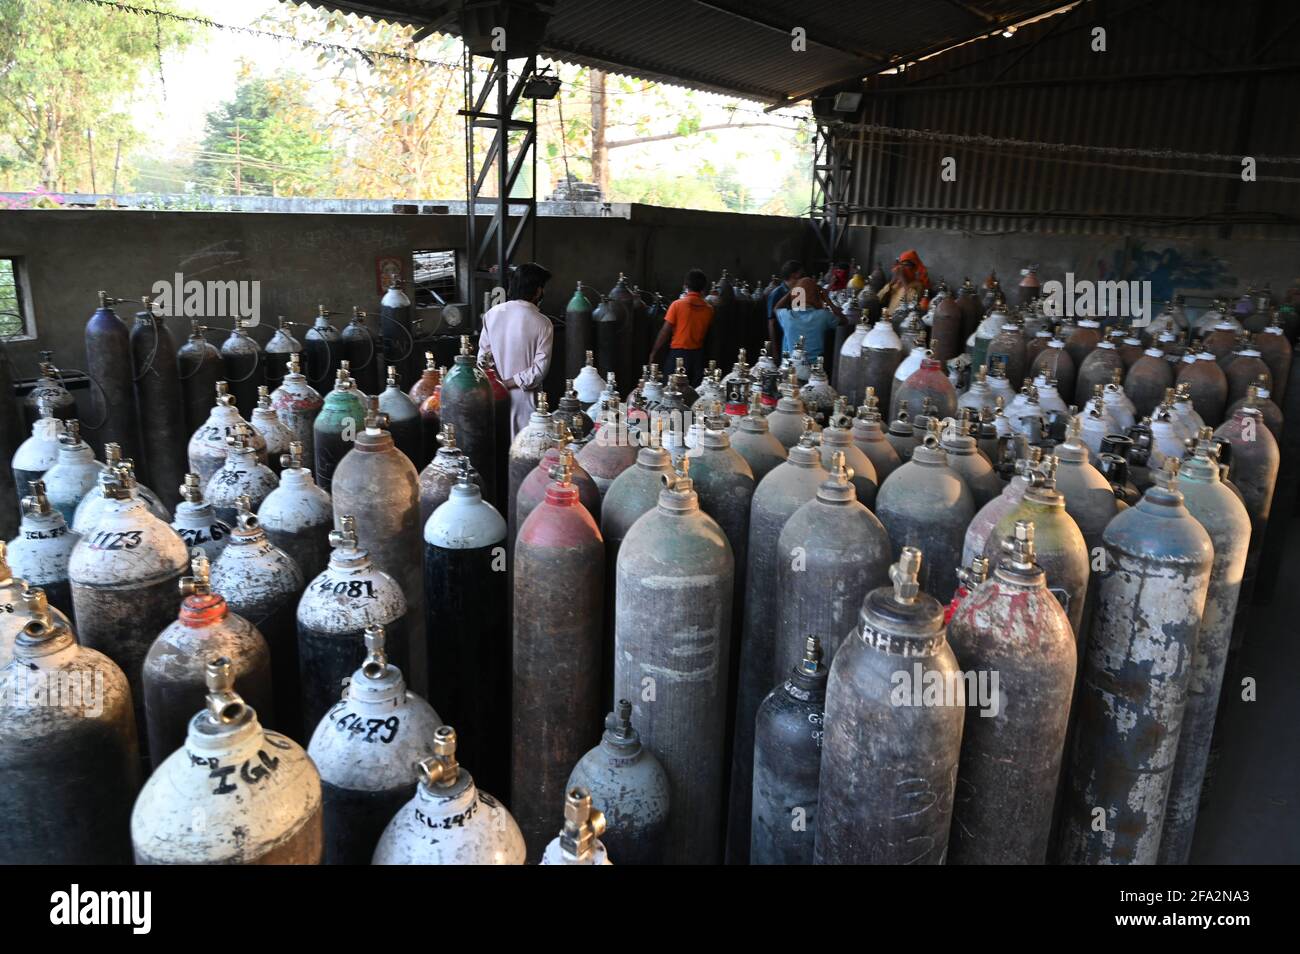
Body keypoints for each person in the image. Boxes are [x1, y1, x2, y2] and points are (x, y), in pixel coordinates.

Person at [478, 261, 555, 440]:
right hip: (525, 403)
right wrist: (509, 383)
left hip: (493, 399)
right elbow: (538, 371)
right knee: (523, 455)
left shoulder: (492, 314)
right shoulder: (543, 323)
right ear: (538, 291)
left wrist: (499, 384)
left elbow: (482, 361)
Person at [650, 268, 713, 384]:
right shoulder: (709, 309)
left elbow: (665, 332)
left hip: (678, 356)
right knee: (694, 394)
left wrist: (654, 352)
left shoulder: (677, 305)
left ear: (685, 286)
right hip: (698, 357)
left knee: (670, 391)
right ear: (704, 288)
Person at [773, 276, 846, 372]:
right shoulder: (823, 316)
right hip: (814, 370)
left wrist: (792, 292)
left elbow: (776, 308)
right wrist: (827, 299)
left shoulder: (787, 316)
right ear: (816, 296)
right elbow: (844, 321)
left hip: (789, 369)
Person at [766, 260, 804, 352]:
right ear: (793, 275)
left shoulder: (798, 293)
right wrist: (775, 349)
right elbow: (772, 323)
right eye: (801, 275)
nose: (803, 278)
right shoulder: (776, 294)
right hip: (780, 338)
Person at [880, 249, 929, 314]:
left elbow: (911, 302)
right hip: (888, 320)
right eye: (901, 265)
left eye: (906, 265)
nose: (902, 268)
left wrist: (902, 279)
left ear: (913, 268)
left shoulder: (918, 285)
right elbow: (880, 298)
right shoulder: (897, 284)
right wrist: (892, 281)